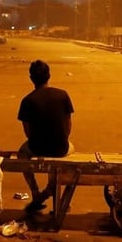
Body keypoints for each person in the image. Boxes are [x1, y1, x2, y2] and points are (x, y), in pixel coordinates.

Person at [17, 59, 74, 214]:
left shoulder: (27, 100)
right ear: (49, 76)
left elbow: (27, 131)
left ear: (31, 78)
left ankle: (35, 192)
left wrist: (38, 143)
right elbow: (68, 125)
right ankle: (51, 191)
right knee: (65, 153)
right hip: (61, 148)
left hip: (37, 147)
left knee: (21, 154)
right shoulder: (63, 95)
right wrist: (61, 139)